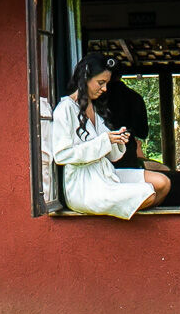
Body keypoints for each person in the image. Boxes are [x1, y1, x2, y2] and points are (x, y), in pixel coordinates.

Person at [50, 53, 171, 218]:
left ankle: (124, 218)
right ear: (85, 78)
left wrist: (117, 140)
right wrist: (104, 140)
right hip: (84, 186)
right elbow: (61, 155)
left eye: (106, 83)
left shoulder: (95, 109)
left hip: (106, 175)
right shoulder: (65, 109)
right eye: (101, 83)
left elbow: (112, 156)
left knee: (163, 183)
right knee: (148, 194)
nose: (105, 89)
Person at [99, 62, 171, 177]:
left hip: (103, 153)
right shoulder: (134, 97)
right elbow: (142, 132)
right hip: (127, 152)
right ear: (121, 75)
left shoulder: (97, 98)